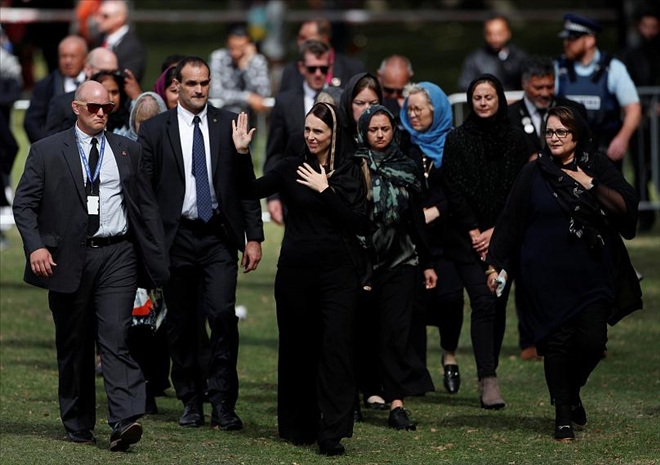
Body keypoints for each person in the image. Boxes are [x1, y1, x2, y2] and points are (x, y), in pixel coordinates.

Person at [12, 80, 169, 451]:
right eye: (94, 107)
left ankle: (123, 419)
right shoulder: (47, 151)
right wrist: (35, 247)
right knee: (74, 343)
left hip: (118, 254)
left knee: (115, 336)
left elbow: (146, 208)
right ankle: (79, 421)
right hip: (67, 259)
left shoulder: (128, 151)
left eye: (108, 108)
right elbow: (24, 205)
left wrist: (157, 259)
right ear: (77, 108)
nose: (102, 113)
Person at [486, 106, 642, 440]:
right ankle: (562, 416)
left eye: (561, 132)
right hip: (544, 276)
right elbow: (511, 219)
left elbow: (626, 206)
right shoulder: (534, 172)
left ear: (576, 135)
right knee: (555, 343)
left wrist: (589, 182)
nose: (554, 138)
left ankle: (571, 391)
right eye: (550, 132)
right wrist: (496, 263)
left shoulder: (596, 165)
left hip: (592, 273)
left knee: (592, 341)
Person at [138, 56, 264, 432]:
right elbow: (144, 191)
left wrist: (253, 237)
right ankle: (190, 399)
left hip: (218, 237)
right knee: (181, 324)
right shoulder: (156, 130)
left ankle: (223, 401)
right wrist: (150, 242)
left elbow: (245, 187)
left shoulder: (228, 124)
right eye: (191, 83)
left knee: (223, 316)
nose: (198, 90)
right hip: (176, 240)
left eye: (204, 83)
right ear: (176, 86)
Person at [237, 102, 371, 456]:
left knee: (336, 348)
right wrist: (241, 153)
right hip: (295, 272)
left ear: (334, 135)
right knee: (298, 348)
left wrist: (325, 190)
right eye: (307, 129)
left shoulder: (348, 170)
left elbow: (359, 222)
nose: (311, 137)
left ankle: (333, 431)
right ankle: (299, 424)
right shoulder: (290, 167)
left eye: (319, 132)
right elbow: (250, 190)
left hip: (338, 274)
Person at [441, 74, 530, 409]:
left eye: (488, 96)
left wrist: (496, 231)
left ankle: (487, 369)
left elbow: (517, 191)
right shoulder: (457, 140)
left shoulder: (515, 140)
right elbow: (453, 187)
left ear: (499, 99)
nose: (482, 102)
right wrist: (475, 230)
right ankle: (488, 378)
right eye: (477, 97)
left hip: (503, 237)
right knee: (483, 299)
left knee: (498, 301)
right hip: (466, 238)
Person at [353, 104, 436, 430]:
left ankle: (397, 403)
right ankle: (358, 394)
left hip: (402, 259)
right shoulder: (354, 166)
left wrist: (427, 262)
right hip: (363, 261)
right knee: (362, 331)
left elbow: (416, 218)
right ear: (363, 131)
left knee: (396, 332)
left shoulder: (407, 166)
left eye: (385, 128)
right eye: (373, 129)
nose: (379, 135)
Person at [507, 55, 587, 361]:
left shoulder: (570, 110)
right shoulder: (510, 115)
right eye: (538, 87)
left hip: (567, 206)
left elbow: (586, 149)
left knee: (573, 271)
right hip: (529, 206)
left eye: (549, 86)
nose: (544, 92)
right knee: (528, 274)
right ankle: (531, 340)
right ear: (526, 85)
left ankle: (579, 335)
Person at [399, 82, 464, 394]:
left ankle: (450, 355)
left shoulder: (455, 144)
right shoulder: (403, 144)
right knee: (415, 305)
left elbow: (462, 190)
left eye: (419, 110)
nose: (412, 115)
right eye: (409, 109)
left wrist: (437, 210)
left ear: (435, 111)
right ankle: (416, 375)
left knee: (451, 299)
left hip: (448, 238)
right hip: (413, 240)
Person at [555, 13, 642, 171]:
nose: (566, 43)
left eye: (572, 39)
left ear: (590, 40)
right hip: (566, 154)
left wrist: (622, 138)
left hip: (604, 153)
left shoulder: (614, 68)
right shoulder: (558, 68)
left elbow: (633, 109)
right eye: (565, 39)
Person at [263, 39, 331, 225]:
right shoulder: (285, 102)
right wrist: (273, 197)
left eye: (323, 69)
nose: (318, 74)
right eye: (312, 69)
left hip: (332, 195)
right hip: (294, 196)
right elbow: (274, 152)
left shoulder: (338, 99)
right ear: (301, 67)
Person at [623, 8, 660, 232]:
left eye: (654, 27)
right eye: (646, 26)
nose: (650, 32)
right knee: (640, 169)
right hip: (640, 121)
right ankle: (645, 216)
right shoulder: (631, 54)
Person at [23, 35, 88, 144]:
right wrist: (46, 146)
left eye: (73, 56)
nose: (68, 61)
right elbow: (31, 122)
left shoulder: (94, 83)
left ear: (84, 58)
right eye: (64, 56)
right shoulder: (45, 86)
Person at [43, 47, 121, 136]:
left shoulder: (122, 103)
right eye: (104, 71)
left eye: (114, 72)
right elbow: (52, 142)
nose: (110, 76)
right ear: (88, 69)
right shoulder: (62, 104)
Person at [278, 17, 365, 92]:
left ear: (324, 39)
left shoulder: (352, 69)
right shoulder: (291, 70)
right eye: (311, 69)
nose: (299, 42)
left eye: (305, 38)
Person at [208, 24, 271, 116]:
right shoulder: (218, 58)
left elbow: (264, 92)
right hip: (222, 115)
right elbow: (215, 92)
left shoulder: (258, 61)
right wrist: (247, 97)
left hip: (251, 116)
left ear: (250, 46)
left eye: (241, 48)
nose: (236, 53)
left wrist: (247, 66)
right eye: (232, 48)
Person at [457, 15, 529, 92]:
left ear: (508, 33)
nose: (494, 38)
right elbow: (465, 85)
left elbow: (529, 82)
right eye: (489, 34)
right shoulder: (475, 59)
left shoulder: (520, 57)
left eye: (499, 33)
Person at [94, 0, 147, 84]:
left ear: (120, 18)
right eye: (97, 14)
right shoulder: (99, 39)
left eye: (105, 16)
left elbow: (128, 81)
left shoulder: (133, 47)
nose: (98, 20)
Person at [91, 70, 130, 135]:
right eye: (106, 93)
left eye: (114, 93)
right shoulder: (85, 122)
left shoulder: (129, 122)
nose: (111, 99)